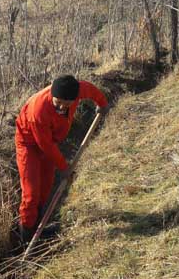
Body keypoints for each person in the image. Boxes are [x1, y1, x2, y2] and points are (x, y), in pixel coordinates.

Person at [15, 75, 109, 243]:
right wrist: (64, 167)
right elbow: (46, 146)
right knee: (31, 194)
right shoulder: (39, 110)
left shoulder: (78, 89)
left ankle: (39, 227)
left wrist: (102, 104)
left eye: (66, 105)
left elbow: (92, 91)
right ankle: (26, 238)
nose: (61, 107)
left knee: (45, 188)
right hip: (29, 144)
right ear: (52, 94)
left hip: (50, 140)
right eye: (57, 102)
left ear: (74, 98)